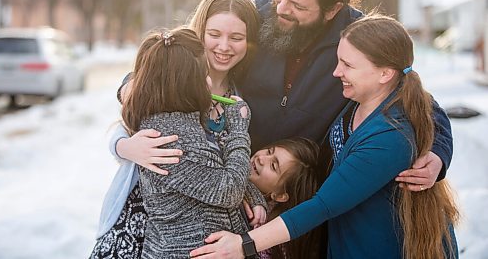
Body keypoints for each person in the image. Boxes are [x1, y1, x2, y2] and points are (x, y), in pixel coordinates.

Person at [116, 0, 453, 196]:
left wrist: (437, 156)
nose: (281, 7)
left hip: (301, 194)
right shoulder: (252, 16)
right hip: (233, 180)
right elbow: (178, 55)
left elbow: (414, 98)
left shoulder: (358, 40)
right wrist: (132, 89)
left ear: (333, 8)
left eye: (298, 5)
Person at [189, 14, 460, 259]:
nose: (336, 72)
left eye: (348, 65)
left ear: (385, 73)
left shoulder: (390, 138)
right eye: (338, 60)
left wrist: (243, 245)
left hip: (385, 246)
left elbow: (323, 205)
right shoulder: (358, 100)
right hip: (347, 239)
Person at [90, 0, 264, 258]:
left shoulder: (242, 97)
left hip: (208, 232)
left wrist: (250, 195)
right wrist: (125, 147)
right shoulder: (169, 78)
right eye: (214, 34)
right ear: (200, 32)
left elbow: (229, 169)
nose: (224, 46)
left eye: (237, 37)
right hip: (144, 221)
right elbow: (131, 116)